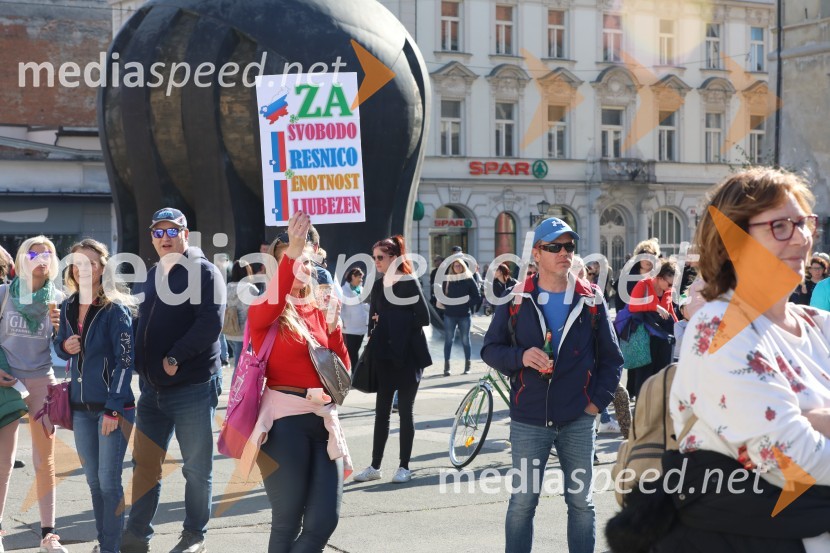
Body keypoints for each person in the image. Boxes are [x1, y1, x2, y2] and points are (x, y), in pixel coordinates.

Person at [656, 167, 830, 550]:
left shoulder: (820, 325)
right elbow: (790, 457)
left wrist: (816, 422)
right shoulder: (719, 328)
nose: (801, 238)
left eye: (804, 223)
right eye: (780, 226)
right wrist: (807, 425)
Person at [481, 217, 623, 553]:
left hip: (578, 418)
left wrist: (594, 406)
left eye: (569, 247)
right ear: (536, 254)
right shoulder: (517, 297)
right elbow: (490, 348)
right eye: (554, 247)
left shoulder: (591, 299)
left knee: (581, 505)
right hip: (529, 419)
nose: (564, 253)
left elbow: (612, 360)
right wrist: (521, 356)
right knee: (522, 504)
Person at [247, 211, 351, 553]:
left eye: (305, 258)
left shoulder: (321, 308)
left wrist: (335, 329)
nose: (298, 265)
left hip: (322, 417)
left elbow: (341, 375)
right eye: (289, 260)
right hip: (283, 423)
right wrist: (292, 249)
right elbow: (272, 303)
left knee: (324, 521)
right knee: (287, 520)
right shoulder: (265, 306)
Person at [121, 208, 224, 553]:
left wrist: (175, 356)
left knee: (196, 468)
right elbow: (138, 322)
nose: (164, 238)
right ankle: (136, 537)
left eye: (171, 231)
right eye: (158, 232)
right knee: (145, 466)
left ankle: (194, 535)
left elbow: (210, 323)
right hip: (151, 390)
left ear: (185, 233)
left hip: (191, 387)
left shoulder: (204, 271)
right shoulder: (150, 274)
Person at [54, 239, 136, 553]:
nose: (82, 269)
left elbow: (124, 361)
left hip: (112, 408)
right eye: (76, 263)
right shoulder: (68, 305)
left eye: (90, 263)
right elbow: (61, 343)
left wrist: (113, 409)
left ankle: (111, 547)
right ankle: (105, 543)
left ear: (102, 268)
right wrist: (64, 347)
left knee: (109, 482)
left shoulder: (115, 308)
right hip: (79, 407)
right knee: (93, 482)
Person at [0, 236, 66, 553]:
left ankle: (49, 536)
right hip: (7, 384)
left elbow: (65, 349)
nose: (40, 257)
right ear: (22, 258)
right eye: (33, 252)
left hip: (43, 381)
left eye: (47, 252)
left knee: (45, 461)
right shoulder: (2, 295)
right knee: (3, 463)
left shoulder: (58, 299)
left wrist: (60, 329)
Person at [352, 235, 432, 484]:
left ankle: (404, 467)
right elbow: (372, 322)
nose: (375, 262)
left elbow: (424, 318)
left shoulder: (409, 283)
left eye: (380, 257)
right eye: (374, 257)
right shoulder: (377, 286)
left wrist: (388, 318)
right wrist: (383, 321)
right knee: (381, 413)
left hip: (409, 357)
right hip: (385, 356)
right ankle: (375, 466)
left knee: (405, 412)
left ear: (394, 258)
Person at [627, 259, 678, 397]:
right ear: (660, 277)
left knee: (660, 376)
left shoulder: (667, 291)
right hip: (644, 339)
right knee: (644, 378)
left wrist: (678, 327)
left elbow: (670, 311)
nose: (671, 287)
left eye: (673, 285)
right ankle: (641, 412)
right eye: (669, 284)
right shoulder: (643, 284)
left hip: (662, 339)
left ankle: (655, 410)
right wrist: (654, 306)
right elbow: (633, 306)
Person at [439, 258, 481, 376]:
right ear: (452, 268)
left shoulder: (468, 279)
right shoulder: (448, 279)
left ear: (463, 267)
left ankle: (468, 366)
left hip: (464, 315)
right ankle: (446, 368)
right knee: (448, 341)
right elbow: (441, 295)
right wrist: (447, 305)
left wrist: (466, 304)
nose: (457, 268)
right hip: (449, 315)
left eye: (459, 266)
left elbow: (477, 297)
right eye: (455, 266)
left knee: (465, 340)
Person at [225, 260, 260, 379]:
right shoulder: (249, 288)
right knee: (240, 365)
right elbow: (254, 309)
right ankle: (235, 392)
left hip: (230, 331)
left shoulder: (228, 287)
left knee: (237, 361)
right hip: (244, 333)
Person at [340, 267, 369, 368]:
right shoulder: (343, 291)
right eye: (359, 278)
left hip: (361, 327)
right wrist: (341, 321)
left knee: (356, 350)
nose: (361, 280)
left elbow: (363, 305)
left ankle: (354, 374)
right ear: (353, 276)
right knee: (352, 353)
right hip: (349, 328)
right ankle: (352, 375)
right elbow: (340, 308)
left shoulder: (361, 289)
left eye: (362, 278)